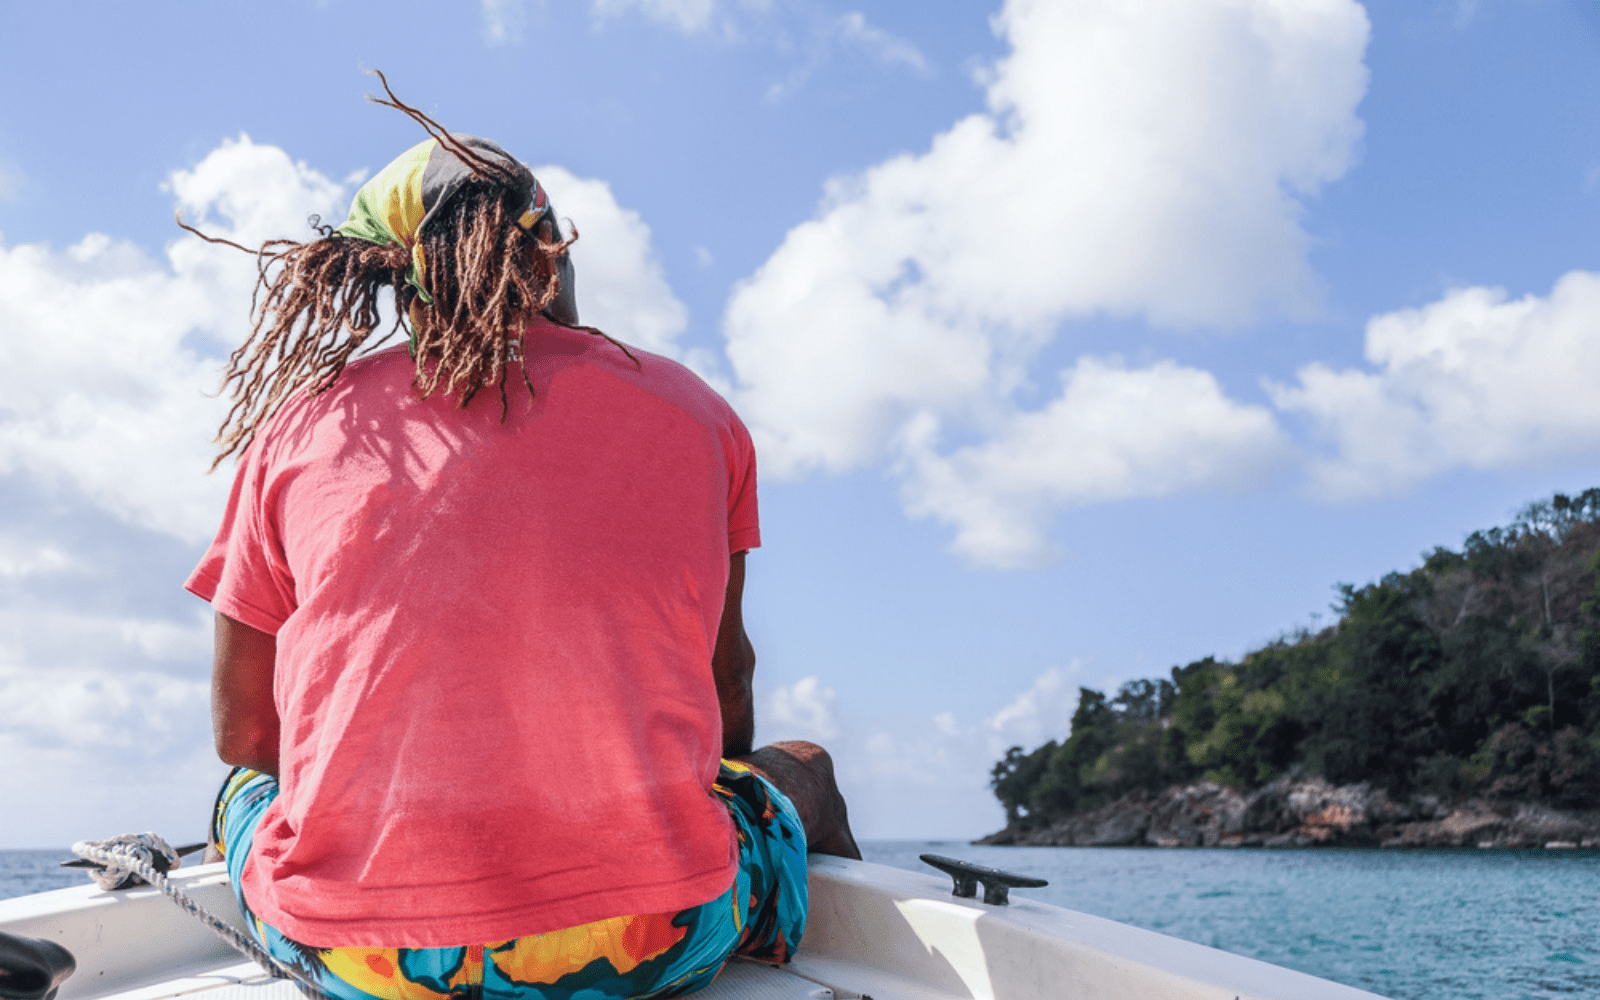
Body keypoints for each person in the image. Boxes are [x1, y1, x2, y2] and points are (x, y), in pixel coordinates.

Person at [186, 75, 859, 1000]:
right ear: (551, 258)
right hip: (648, 946)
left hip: (366, 967)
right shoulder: (697, 415)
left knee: (241, 798)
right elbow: (726, 690)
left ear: (397, 282)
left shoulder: (300, 432)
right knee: (803, 771)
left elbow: (246, 733)